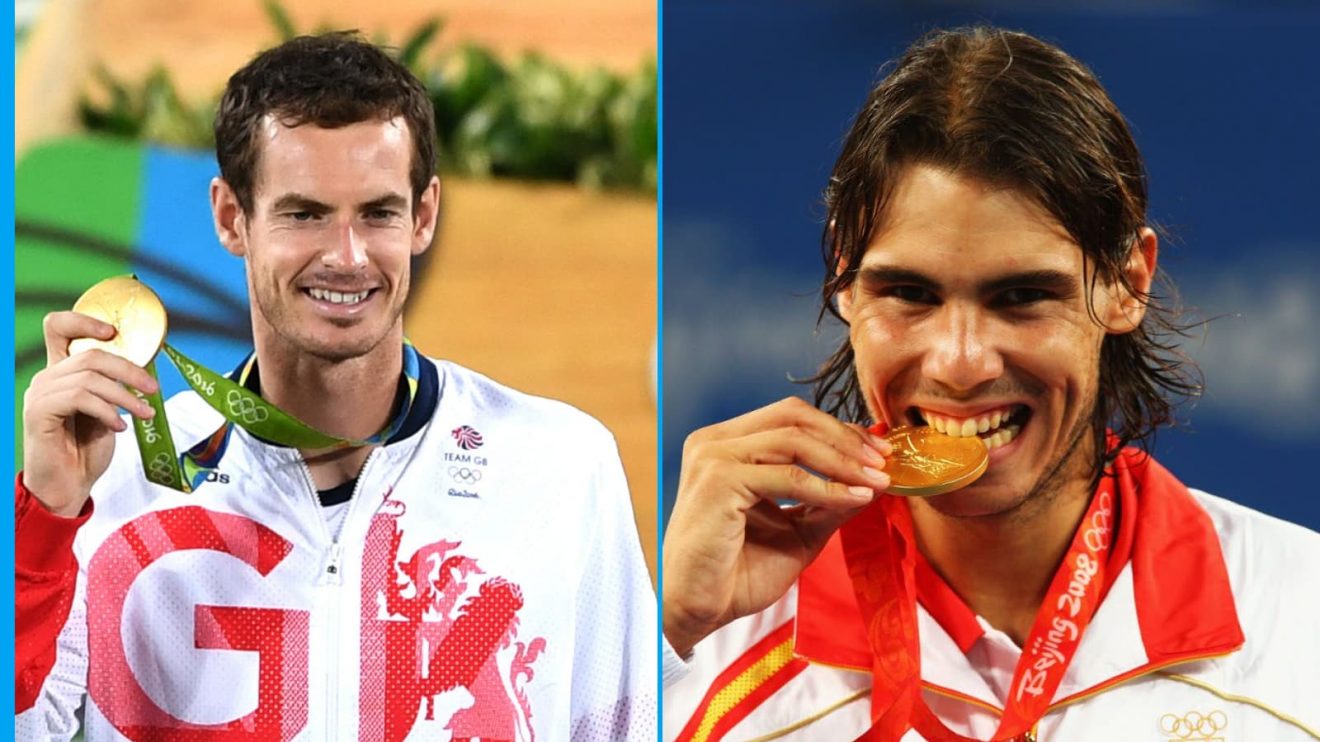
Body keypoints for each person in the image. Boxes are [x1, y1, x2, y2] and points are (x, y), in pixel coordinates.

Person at [661, 26, 1320, 741]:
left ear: (1128, 284)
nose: (961, 362)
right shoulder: (701, 656)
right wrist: (666, 638)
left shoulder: (1301, 624)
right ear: (843, 283)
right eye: (910, 293)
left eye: (1021, 297)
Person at [15, 33, 656, 740]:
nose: (347, 257)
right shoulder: (118, 473)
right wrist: (45, 513)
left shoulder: (560, 468)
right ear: (233, 217)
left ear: (424, 215)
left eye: (377, 213)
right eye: (305, 213)